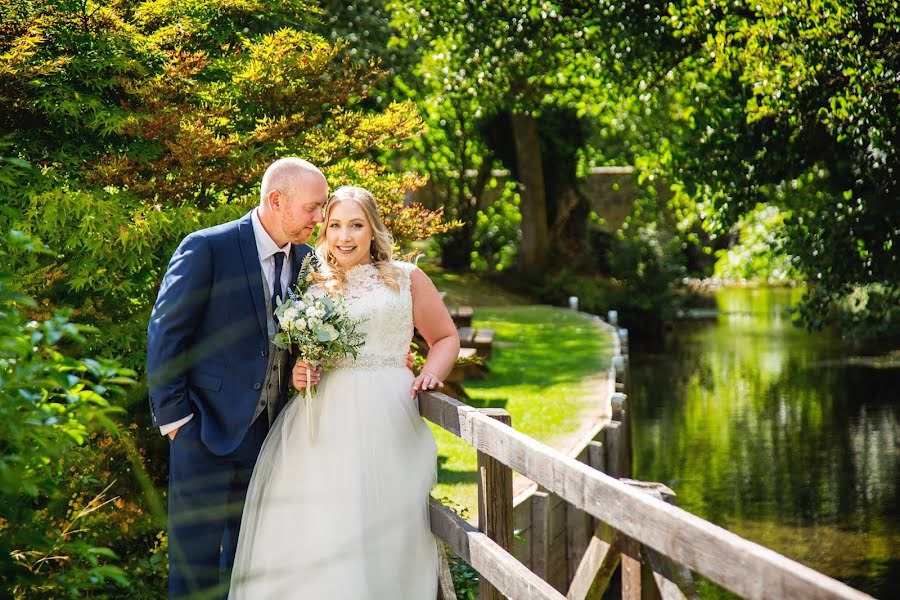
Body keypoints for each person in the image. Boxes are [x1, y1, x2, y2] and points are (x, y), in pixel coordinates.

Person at [229, 186, 460, 598]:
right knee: (323, 526)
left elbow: (444, 338)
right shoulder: (314, 284)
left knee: (387, 523)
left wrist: (430, 375)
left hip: (387, 416)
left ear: (373, 229)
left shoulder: (406, 278)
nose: (345, 236)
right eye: (335, 225)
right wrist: (301, 372)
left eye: (356, 225)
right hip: (322, 424)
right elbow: (304, 357)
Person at [146, 157, 328, 598]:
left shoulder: (306, 262)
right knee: (195, 571)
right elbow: (166, 332)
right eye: (313, 208)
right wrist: (176, 423)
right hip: (203, 433)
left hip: (269, 442)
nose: (320, 219)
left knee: (252, 567)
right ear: (276, 200)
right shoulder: (209, 247)